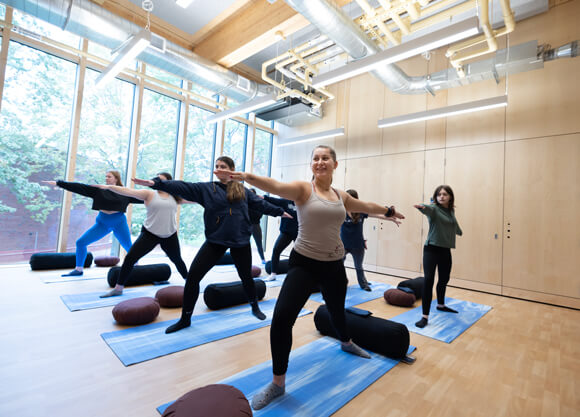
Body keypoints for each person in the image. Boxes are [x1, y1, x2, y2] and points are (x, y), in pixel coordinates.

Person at [223, 145, 405, 410]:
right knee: (283, 318)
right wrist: (245, 177)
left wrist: (388, 211)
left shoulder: (340, 196)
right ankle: (277, 383)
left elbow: (364, 205)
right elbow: (275, 185)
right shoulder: (303, 190)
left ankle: (346, 342)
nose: (320, 162)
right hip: (304, 264)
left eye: (325, 158)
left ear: (335, 164)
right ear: (312, 165)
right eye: (316, 159)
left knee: (337, 311)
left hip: (333, 266)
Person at [132, 156, 291, 333]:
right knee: (193, 277)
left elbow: (261, 204)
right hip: (216, 240)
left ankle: (255, 307)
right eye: (216, 166)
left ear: (231, 170)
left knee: (246, 277)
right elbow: (182, 186)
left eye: (223, 166)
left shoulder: (243, 191)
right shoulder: (207, 189)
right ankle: (185, 318)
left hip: (240, 241)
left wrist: (280, 212)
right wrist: (156, 183)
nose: (218, 168)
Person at [97, 172, 189, 297]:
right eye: (156, 179)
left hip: (169, 234)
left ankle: (190, 283)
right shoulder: (149, 194)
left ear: (169, 183)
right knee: (130, 258)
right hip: (150, 234)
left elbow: (196, 198)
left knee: (177, 260)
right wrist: (109, 187)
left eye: (162, 180)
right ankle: (118, 289)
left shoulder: (176, 197)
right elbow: (127, 191)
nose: (158, 182)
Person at [42, 171, 142, 276]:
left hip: (119, 223)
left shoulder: (124, 192)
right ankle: (78, 269)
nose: (106, 178)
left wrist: (159, 193)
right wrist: (59, 183)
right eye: (106, 176)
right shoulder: (98, 190)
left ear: (116, 179)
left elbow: (145, 197)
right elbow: (79, 187)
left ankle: (137, 267)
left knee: (129, 247)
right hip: (102, 223)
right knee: (81, 242)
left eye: (109, 176)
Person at [413, 185, 463, 329]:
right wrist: (421, 206)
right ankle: (424, 317)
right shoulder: (434, 209)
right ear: (436, 196)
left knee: (444, 279)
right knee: (429, 280)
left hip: (445, 250)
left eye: (445, 194)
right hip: (431, 249)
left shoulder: (450, 210)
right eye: (439, 194)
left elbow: (453, 223)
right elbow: (427, 209)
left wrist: (459, 231)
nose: (442, 196)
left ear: (450, 197)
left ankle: (441, 305)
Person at [341, 189, 402, 291]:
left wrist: (390, 218)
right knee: (338, 265)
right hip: (343, 245)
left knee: (359, 267)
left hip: (357, 245)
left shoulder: (360, 212)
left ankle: (364, 285)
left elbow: (377, 215)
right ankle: (341, 282)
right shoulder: (340, 212)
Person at [262, 195, 298, 281]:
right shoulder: (286, 202)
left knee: (299, 255)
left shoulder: (302, 204)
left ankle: (298, 275)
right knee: (276, 250)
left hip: (299, 233)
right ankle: (273, 274)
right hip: (286, 233)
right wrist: (263, 197)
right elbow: (274, 200)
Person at [248, 188, 266, 264]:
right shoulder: (245, 203)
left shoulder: (257, 203)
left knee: (259, 243)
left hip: (256, 225)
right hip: (246, 225)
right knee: (244, 245)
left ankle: (262, 259)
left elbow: (260, 214)